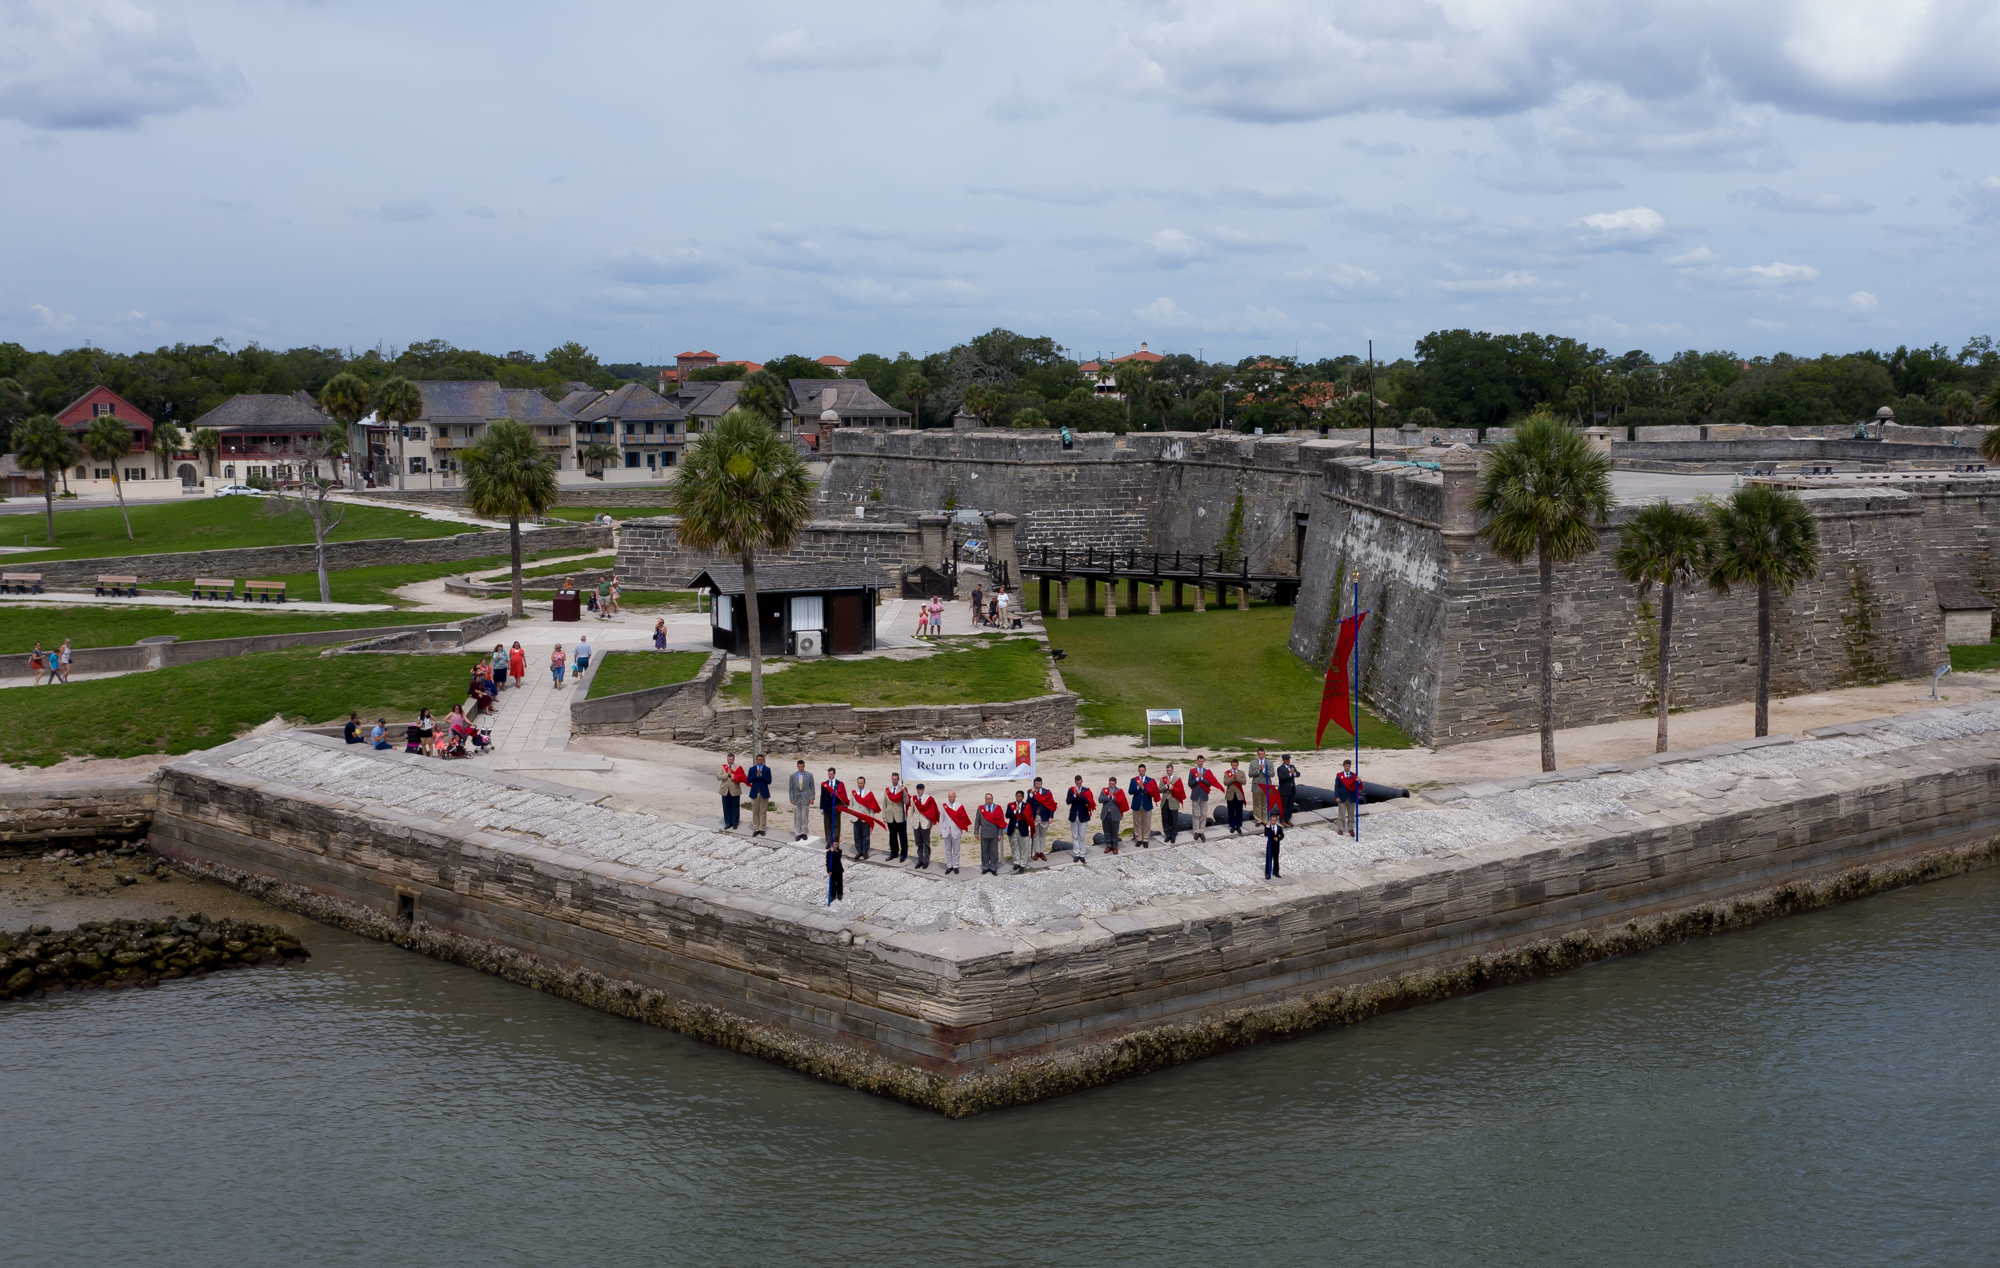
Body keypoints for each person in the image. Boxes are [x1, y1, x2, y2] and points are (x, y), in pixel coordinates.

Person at [1128, 764, 1158, 848]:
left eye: (1142, 771)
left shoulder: (1150, 780)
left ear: (1145, 771)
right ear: (1138, 771)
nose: (1141, 772)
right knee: (1137, 822)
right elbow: (1130, 791)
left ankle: (1145, 839)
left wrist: (1144, 788)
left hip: (1146, 803)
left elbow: (1153, 792)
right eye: (1140, 771)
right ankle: (1138, 839)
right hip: (1137, 803)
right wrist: (1138, 788)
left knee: (1146, 822)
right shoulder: (1134, 780)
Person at [1066, 776, 1095, 864]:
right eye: (1077, 783)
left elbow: (1088, 801)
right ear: (1075, 782)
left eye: (1080, 783)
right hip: (1074, 815)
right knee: (1075, 836)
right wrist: (1075, 795)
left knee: (1082, 836)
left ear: (1082, 781)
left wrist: (1080, 794)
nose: (1078, 784)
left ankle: (1082, 854)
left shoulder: (1086, 790)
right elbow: (1068, 801)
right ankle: (1076, 853)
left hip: (1083, 815)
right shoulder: (1071, 790)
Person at [1188, 755, 1217, 842]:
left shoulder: (1206, 772)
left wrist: (1202, 778)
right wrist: (1197, 779)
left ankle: (1202, 831)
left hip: (1204, 795)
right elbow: (1190, 784)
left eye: (1202, 761)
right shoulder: (1192, 771)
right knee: (1195, 814)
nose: (1201, 763)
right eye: (1199, 761)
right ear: (1197, 761)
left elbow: (1210, 783)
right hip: (1196, 795)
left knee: (1203, 814)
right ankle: (1196, 831)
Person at [849, 776, 880, 860]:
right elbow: (851, 805)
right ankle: (859, 851)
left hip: (865, 818)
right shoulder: (853, 793)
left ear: (864, 783)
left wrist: (871, 818)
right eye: (858, 783)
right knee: (857, 835)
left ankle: (865, 851)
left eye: (861, 783)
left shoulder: (869, 793)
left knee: (866, 835)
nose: (860, 785)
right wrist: (851, 817)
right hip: (856, 817)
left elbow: (872, 807)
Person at [940, 791, 969, 874]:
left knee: (956, 850)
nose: (950, 798)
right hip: (946, 831)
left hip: (956, 831)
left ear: (955, 797)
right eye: (949, 796)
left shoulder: (959, 806)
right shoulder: (944, 806)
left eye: (951, 796)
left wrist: (961, 829)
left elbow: (963, 819)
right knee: (948, 850)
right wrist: (941, 830)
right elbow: (941, 819)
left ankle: (956, 866)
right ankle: (949, 866)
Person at [910, 783, 938, 870]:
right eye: (918, 789)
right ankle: (920, 860)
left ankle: (926, 861)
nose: (919, 791)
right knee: (918, 843)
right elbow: (911, 811)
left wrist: (931, 824)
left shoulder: (928, 799)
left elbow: (932, 812)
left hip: (925, 823)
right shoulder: (913, 799)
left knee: (926, 843)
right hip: (916, 823)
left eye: (920, 789)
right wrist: (912, 821)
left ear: (923, 790)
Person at [976, 794, 1005, 875]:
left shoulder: (997, 808)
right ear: (985, 799)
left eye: (989, 798)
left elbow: (1001, 822)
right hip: (984, 833)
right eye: (987, 799)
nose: (988, 800)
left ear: (992, 799)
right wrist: (976, 832)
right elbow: (977, 821)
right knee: (984, 850)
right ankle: (985, 867)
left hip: (994, 833)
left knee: (994, 851)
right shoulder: (980, 808)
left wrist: (1000, 834)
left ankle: (994, 867)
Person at [1029, 777, 1056, 862]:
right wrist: (1032, 794)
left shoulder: (1047, 792)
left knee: (1043, 835)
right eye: (1036, 784)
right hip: (1035, 816)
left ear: (1042, 783)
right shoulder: (1031, 792)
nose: (1038, 785)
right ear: (1034, 784)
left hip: (1044, 816)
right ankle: (1036, 852)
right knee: (1035, 835)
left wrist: (1051, 816)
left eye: (1039, 784)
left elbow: (1051, 805)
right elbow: (1028, 803)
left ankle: (1041, 851)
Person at [883, 772, 909, 862]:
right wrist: (884, 816)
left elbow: (906, 801)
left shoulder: (901, 789)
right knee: (892, 836)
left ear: (898, 779)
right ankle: (893, 852)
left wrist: (904, 792)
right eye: (892, 779)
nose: (894, 781)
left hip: (900, 816)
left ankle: (903, 854)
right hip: (890, 816)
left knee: (902, 836)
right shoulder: (887, 790)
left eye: (895, 779)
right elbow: (884, 803)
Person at [745, 754, 773, 837]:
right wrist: (756, 776)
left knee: (763, 812)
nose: (760, 761)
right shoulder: (752, 769)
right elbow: (748, 780)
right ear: (756, 760)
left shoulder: (767, 769)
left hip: (764, 793)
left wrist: (761, 775)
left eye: (761, 760)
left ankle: (762, 828)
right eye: (758, 759)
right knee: (755, 812)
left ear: (763, 760)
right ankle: (756, 828)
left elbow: (769, 781)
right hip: (754, 793)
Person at [1159, 763, 1185, 845]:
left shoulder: (1177, 779)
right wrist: (1166, 786)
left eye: (1169, 770)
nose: (1168, 772)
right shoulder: (1163, 779)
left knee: (1174, 819)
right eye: (1167, 770)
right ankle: (1167, 834)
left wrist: (1171, 786)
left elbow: (1180, 791)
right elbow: (1159, 790)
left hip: (1173, 801)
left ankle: (1173, 836)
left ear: (1172, 770)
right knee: (1165, 819)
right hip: (1165, 801)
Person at [819, 767, 846, 845]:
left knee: (836, 825)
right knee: (827, 824)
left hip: (836, 808)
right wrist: (821, 808)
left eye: (831, 774)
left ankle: (835, 841)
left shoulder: (839, 784)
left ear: (834, 774)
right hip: (827, 807)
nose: (829, 776)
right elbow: (822, 796)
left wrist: (842, 806)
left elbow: (842, 796)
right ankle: (828, 840)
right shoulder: (824, 784)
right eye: (828, 774)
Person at [1098, 776, 1126, 854]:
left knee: (1114, 832)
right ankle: (1108, 845)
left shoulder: (1119, 791)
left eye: (1112, 784)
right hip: (1106, 814)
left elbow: (1121, 801)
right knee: (1106, 831)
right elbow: (1100, 799)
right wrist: (1108, 797)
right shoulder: (1104, 790)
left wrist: (1113, 797)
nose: (1111, 785)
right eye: (1110, 784)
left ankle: (1115, 846)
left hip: (1115, 814)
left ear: (1115, 783)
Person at [1004, 790, 1030, 873]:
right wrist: (1015, 811)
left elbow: (1028, 816)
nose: (1018, 798)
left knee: (1023, 847)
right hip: (1013, 829)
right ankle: (1016, 862)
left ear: (1023, 797)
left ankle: (1023, 864)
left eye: (1020, 796)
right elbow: (1007, 815)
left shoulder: (1026, 806)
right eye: (1017, 796)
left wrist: (1020, 811)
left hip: (1023, 829)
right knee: (1014, 846)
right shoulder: (1011, 805)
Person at [1335, 760, 1361, 837]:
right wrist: (1337, 796)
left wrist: (1358, 782)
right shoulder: (1339, 775)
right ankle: (1341, 828)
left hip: (1351, 797)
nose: (1347, 768)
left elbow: (1358, 786)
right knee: (1341, 814)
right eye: (1346, 766)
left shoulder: (1354, 775)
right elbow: (1337, 787)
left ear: (1350, 766)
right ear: (1344, 766)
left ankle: (1351, 828)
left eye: (1348, 766)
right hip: (1342, 797)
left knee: (1351, 814)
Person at [1248, 748, 1274, 827]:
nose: (1261, 755)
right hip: (1257, 786)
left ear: (1264, 754)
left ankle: (1265, 819)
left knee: (1265, 804)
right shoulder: (1253, 763)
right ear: (1257, 754)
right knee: (1257, 804)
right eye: (1259, 754)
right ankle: (1258, 819)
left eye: (1262, 754)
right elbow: (1250, 774)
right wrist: (1258, 770)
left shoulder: (1269, 762)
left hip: (1266, 786)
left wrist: (1264, 771)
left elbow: (1272, 774)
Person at [718, 753, 743, 830]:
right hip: (725, 790)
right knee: (726, 807)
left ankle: (735, 823)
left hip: (734, 790)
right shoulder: (723, 767)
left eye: (731, 760)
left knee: (735, 807)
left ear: (734, 760)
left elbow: (741, 777)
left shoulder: (738, 767)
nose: (730, 761)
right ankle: (728, 822)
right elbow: (718, 776)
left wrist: (732, 775)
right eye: (728, 760)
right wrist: (726, 775)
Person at [1223, 759, 1247, 836]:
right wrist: (1232, 778)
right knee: (1231, 811)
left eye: (1235, 765)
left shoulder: (1241, 772)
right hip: (1230, 794)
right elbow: (1225, 783)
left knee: (1239, 811)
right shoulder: (1227, 773)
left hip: (1239, 794)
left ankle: (1239, 826)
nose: (1234, 767)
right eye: (1233, 765)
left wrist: (1236, 778)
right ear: (1231, 765)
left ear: (1238, 765)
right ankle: (1232, 826)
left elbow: (1244, 782)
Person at [1277, 754, 1300, 826]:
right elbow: (1281, 777)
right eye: (1286, 760)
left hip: (1291, 789)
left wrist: (1294, 773)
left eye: (1289, 760)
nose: (1288, 761)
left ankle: (1288, 819)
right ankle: (1282, 819)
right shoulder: (1280, 768)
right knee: (1284, 806)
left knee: (1290, 805)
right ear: (1283, 760)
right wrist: (1290, 774)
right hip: (1284, 790)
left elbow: (1298, 774)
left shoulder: (1292, 767)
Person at [825, 836, 844, 906]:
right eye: (834, 844)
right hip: (832, 870)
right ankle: (832, 895)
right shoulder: (828, 853)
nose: (835, 845)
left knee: (839, 883)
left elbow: (838, 857)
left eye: (836, 844)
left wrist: (833, 852)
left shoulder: (839, 851)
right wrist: (828, 870)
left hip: (838, 869)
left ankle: (839, 894)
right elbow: (827, 862)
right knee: (832, 883)